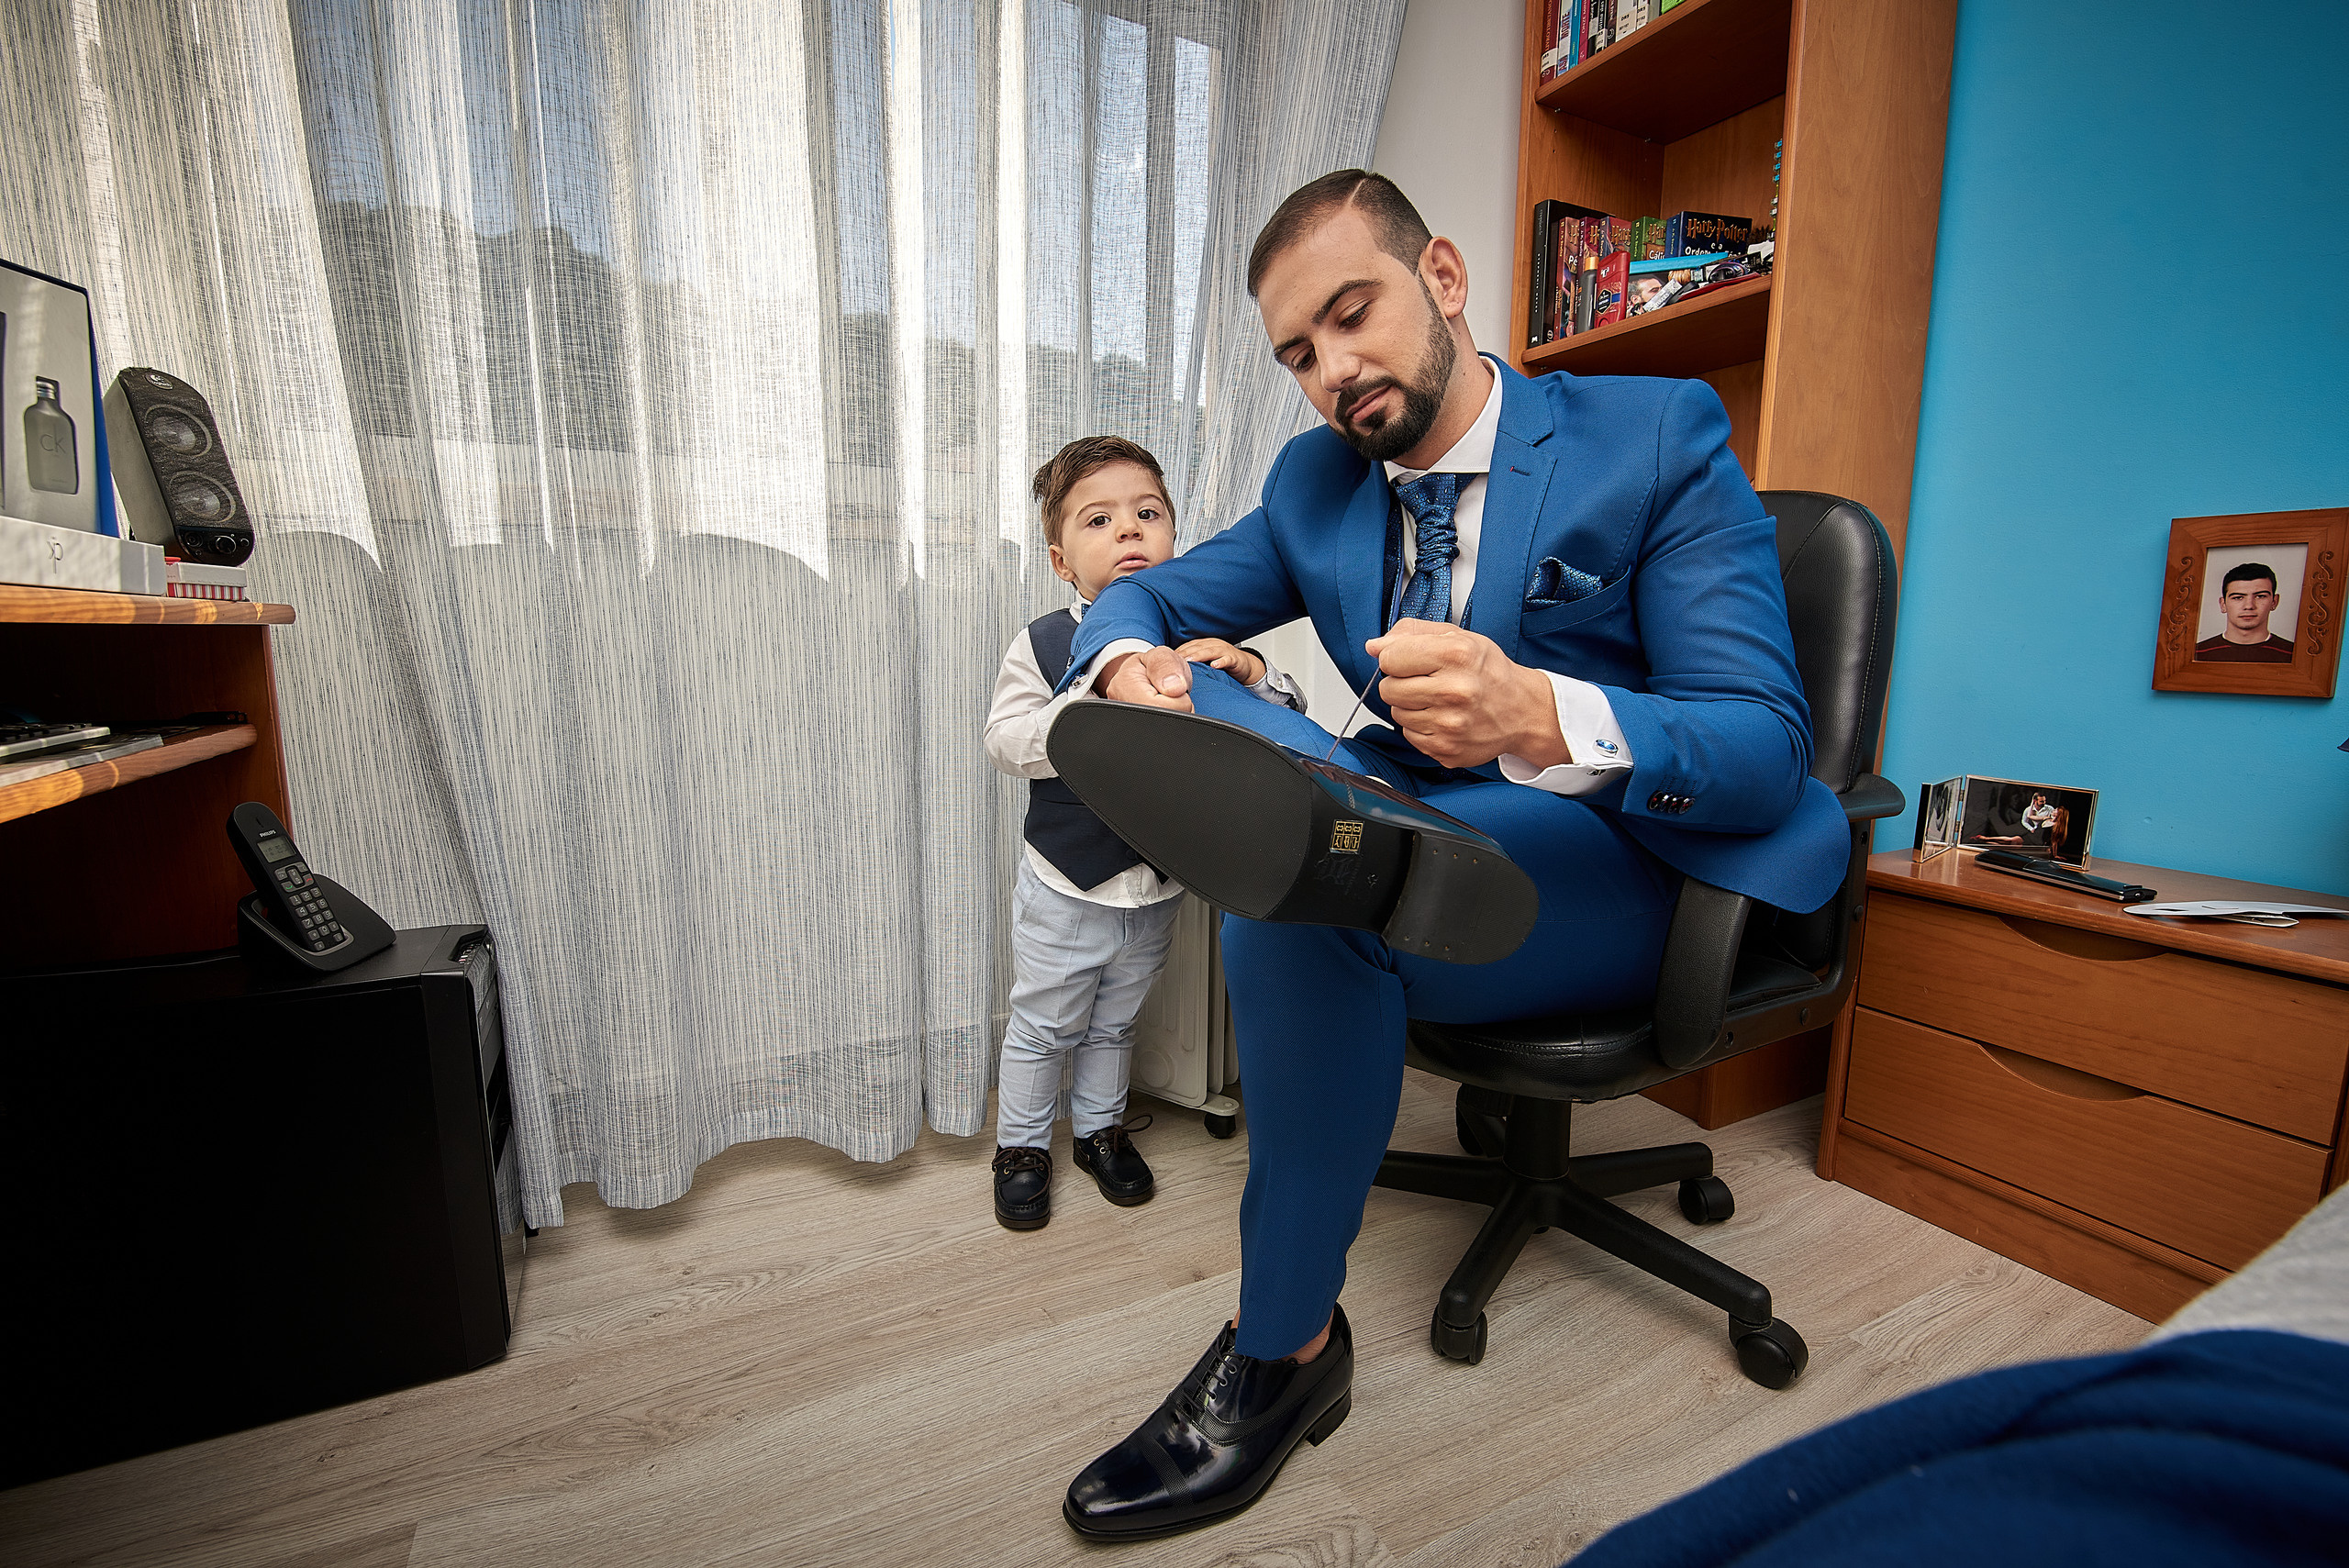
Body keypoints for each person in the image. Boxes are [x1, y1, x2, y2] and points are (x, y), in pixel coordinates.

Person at [1048, 171, 1850, 1540]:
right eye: (1298, 352)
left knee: (1305, 891)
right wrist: (1131, 662)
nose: (1331, 370)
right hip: (1416, 805)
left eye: (1351, 314)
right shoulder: (1316, 484)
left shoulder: (1652, 433)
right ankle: (1302, 794)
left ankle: (1286, 1347)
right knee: (1234, 719)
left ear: (1445, 278)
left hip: (1615, 851)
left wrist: (1538, 711)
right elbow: (1146, 592)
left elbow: (1765, 742)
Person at [981, 436, 1306, 1231]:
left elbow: (1285, 730)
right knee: (1045, 1024)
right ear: (1062, 561)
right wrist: (1091, 700)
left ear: (1174, 537)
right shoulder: (1043, 642)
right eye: (1099, 519)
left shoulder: (1198, 642)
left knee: (1117, 1021)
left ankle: (1099, 1131)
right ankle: (1021, 1148)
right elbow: (1005, 742)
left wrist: (1254, 673)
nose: (1128, 529)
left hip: (1155, 884)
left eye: (1147, 513)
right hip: (1066, 883)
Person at [2195, 562, 2297, 662]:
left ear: (2274, 602)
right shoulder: (2196, 654)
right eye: (2238, 597)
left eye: (2260, 596)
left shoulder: (2295, 656)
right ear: (2223, 604)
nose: (2249, 606)